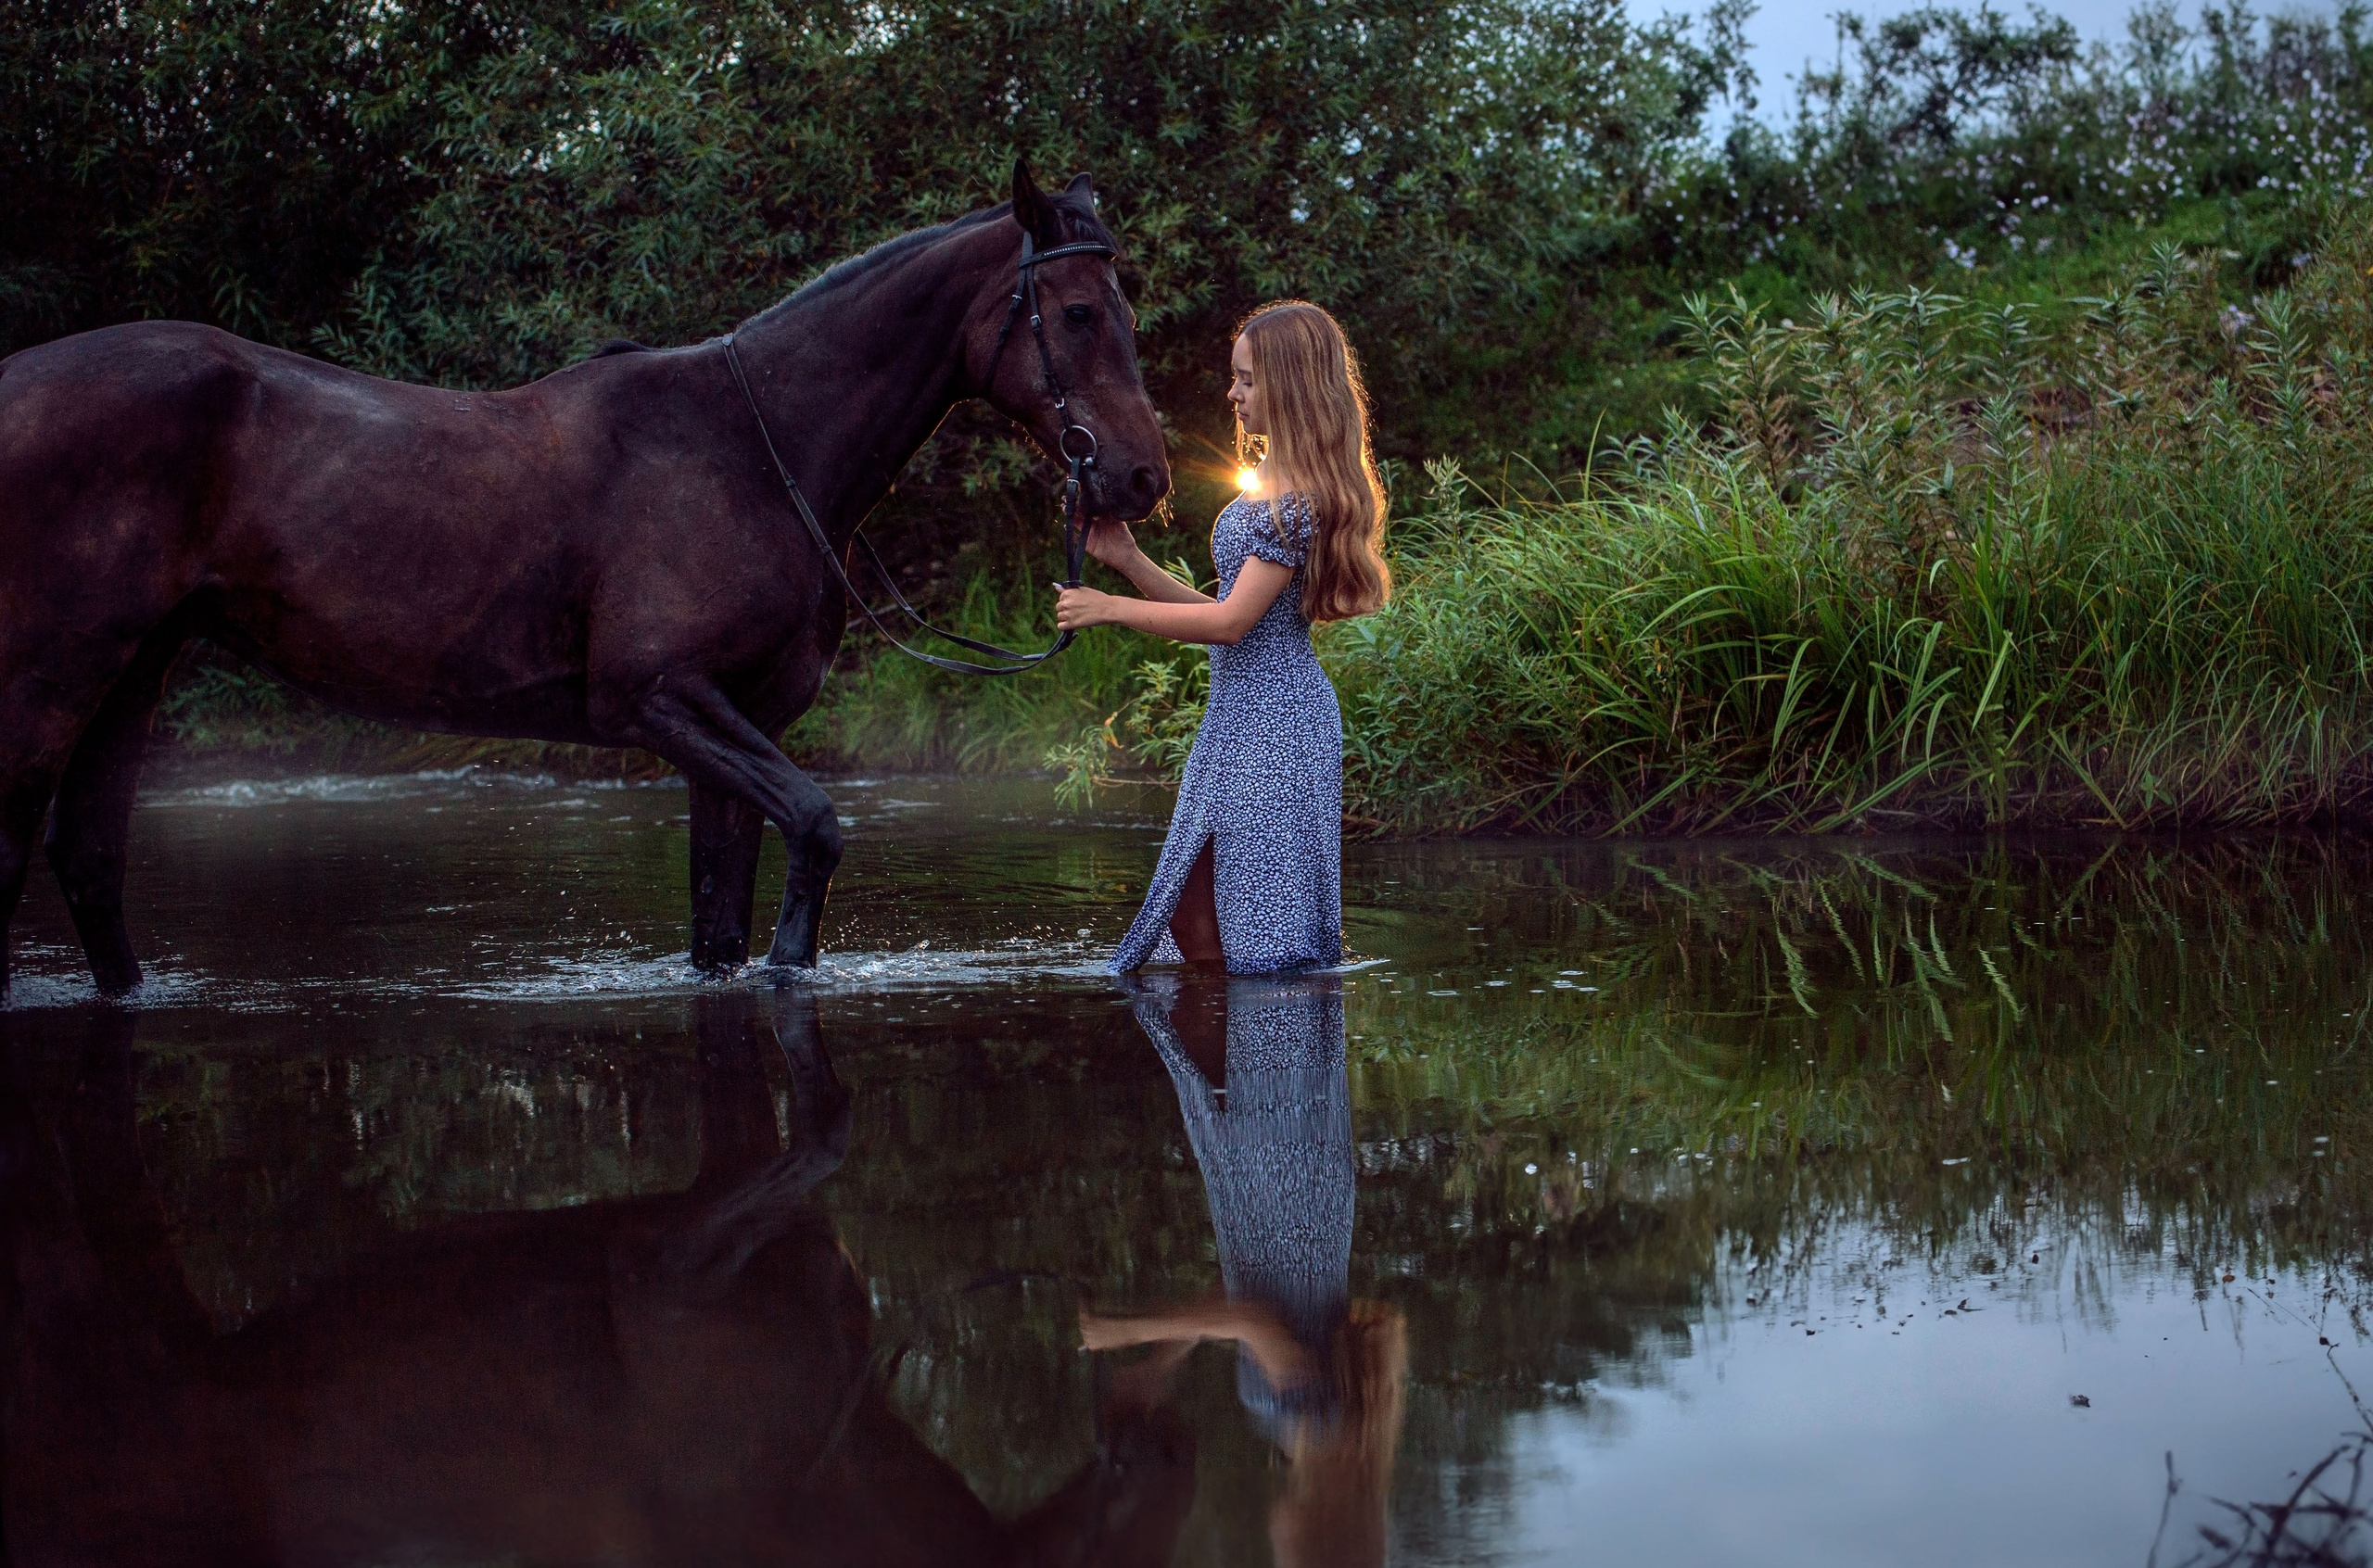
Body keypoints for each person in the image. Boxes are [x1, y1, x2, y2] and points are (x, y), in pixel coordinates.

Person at [1054, 301, 1390, 973]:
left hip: (1280, 723)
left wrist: (1111, 605)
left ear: (1288, 385)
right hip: (1238, 718)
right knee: (1191, 903)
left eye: (1245, 380)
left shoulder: (1300, 502)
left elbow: (1231, 625)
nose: (1231, 393)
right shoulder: (1271, 487)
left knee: (1241, 919)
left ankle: (1271, 1054)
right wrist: (1125, 559)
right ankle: (1227, 1053)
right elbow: (1226, 618)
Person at [1081, 973, 1407, 1568]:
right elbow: (1253, 1320)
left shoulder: (1315, 1435)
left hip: (1292, 1194)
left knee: (1234, 1001)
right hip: (1282, 1186)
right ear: (1319, 1540)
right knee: (1237, 1001)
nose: (1275, 1552)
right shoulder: (1314, 1417)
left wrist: (1160, 1364)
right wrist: (1121, 1331)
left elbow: (1244, 1301)